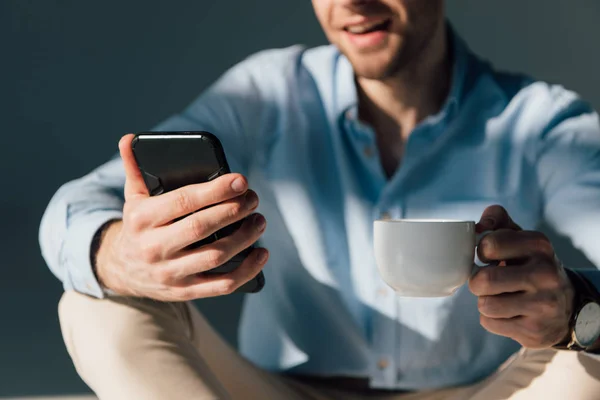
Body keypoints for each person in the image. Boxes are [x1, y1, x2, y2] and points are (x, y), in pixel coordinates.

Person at [39, 0, 600, 399]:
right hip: (273, 392)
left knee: (595, 342)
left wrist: (573, 305)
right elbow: (75, 206)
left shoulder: (540, 120)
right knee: (95, 299)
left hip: (481, 394)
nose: (352, 3)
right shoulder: (266, 93)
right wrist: (122, 255)